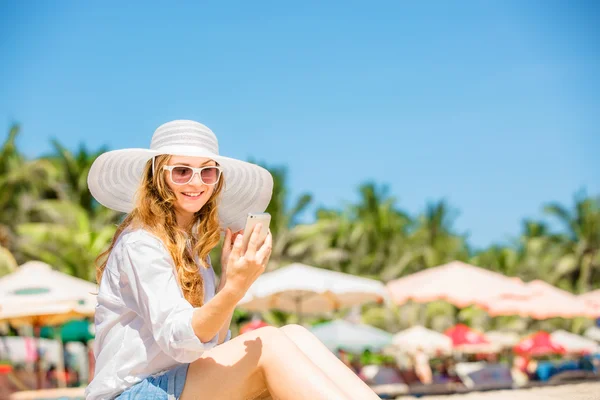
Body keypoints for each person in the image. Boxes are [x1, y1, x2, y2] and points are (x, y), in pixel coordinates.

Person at [85, 120, 380, 399]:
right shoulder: (141, 243)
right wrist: (234, 288)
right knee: (272, 344)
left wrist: (227, 279)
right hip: (130, 392)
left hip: (174, 383)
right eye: (182, 171)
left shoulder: (193, 250)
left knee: (295, 334)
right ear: (158, 176)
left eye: (207, 172)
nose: (196, 181)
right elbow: (180, 341)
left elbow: (211, 342)